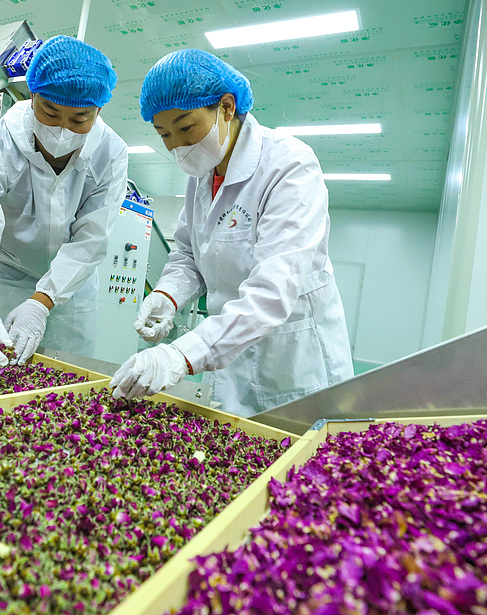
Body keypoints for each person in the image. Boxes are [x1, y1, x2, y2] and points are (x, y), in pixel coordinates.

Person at [109, 49, 353, 417]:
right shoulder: (202, 175)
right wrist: (167, 295)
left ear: (226, 106)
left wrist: (180, 353)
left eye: (185, 127)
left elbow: (271, 293)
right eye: (164, 134)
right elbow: (189, 253)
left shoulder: (289, 165)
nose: (177, 145)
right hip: (227, 354)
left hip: (290, 363)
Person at [0, 36, 127, 368]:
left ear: (99, 110)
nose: (62, 129)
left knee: (64, 379)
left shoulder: (110, 154)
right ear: (32, 96)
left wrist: (42, 302)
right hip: (4, 278)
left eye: (79, 119)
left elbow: (91, 237)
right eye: (50, 112)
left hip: (70, 291)